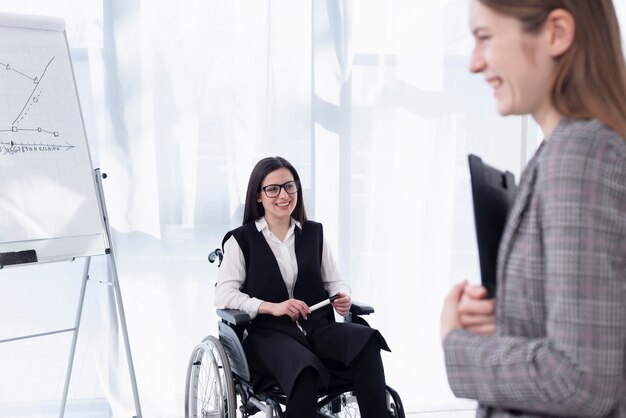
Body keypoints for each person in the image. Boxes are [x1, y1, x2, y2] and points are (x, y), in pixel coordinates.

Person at [441, 1, 626, 417]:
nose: (473, 63)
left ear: (556, 32)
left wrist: (456, 342)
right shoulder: (564, 151)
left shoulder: (581, 156)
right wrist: (503, 323)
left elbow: (580, 380)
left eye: (484, 37)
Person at [215, 156, 391, 418]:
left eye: (289, 186)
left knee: (366, 340)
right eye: (272, 189)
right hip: (269, 336)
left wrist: (341, 295)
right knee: (303, 369)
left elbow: (335, 281)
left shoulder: (314, 233)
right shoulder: (241, 240)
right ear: (258, 196)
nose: (283, 195)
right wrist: (272, 307)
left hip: (316, 328)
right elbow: (224, 295)